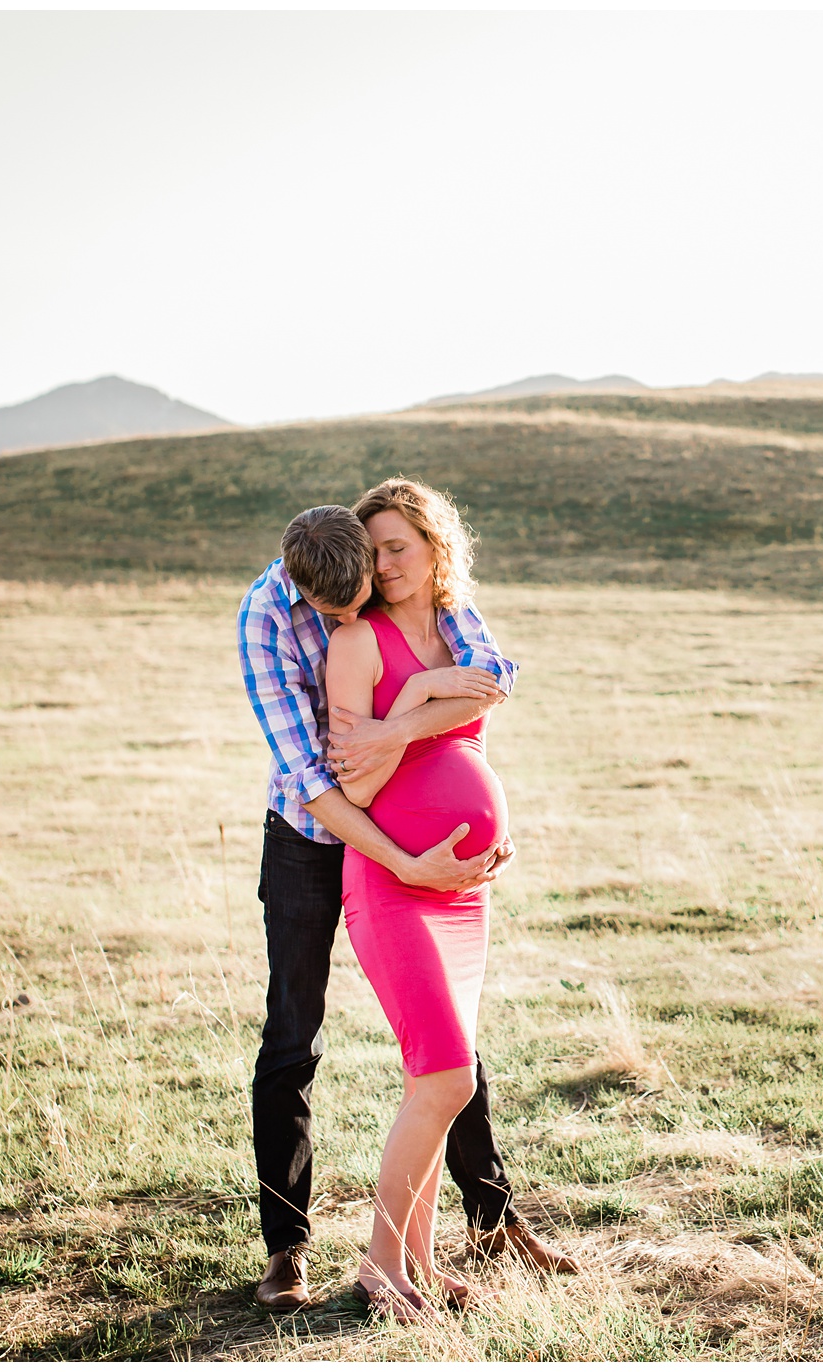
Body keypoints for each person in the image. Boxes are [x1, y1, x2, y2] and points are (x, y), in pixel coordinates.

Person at [237, 495, 576, 1313]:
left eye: (391, 558)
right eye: (345, 597)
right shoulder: (274, 618)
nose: (372, 587)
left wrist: (429, 747)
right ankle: (289, 1249)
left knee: (448, 1058)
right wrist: (405, 854)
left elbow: (490, 686)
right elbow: (323, 779)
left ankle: (483, 1219)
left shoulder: (422, 600)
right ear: (304, 586)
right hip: (324, 840)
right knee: (294, 1037)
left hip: (434, 866)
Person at [324, 478, 519, 1315]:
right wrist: (416, 699)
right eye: (373, 552)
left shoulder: (459, 633)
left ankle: (421, 1262)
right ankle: (378, 1267)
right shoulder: (356, 644)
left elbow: (492, 690)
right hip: (395, 884)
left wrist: (406, 710)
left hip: (464, 896)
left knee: (433, 1085)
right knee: (445, 1079)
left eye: (398, 546)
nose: (385, 564)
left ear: (436, 548)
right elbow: (352, 786)